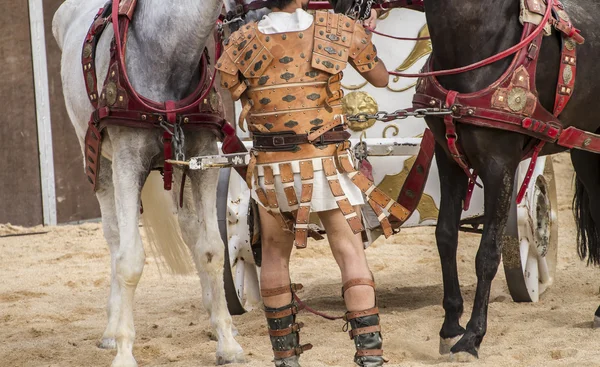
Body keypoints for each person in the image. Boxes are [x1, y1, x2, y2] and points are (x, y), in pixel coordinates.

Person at [217, 1, 408, 365]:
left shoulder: (241, 41)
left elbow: (239, 91)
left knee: (273, 253)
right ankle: (370, 358)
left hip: (273, 172)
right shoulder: (337, 28)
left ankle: (286, 360)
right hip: (326, 164)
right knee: (349, 251)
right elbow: (382, 79)